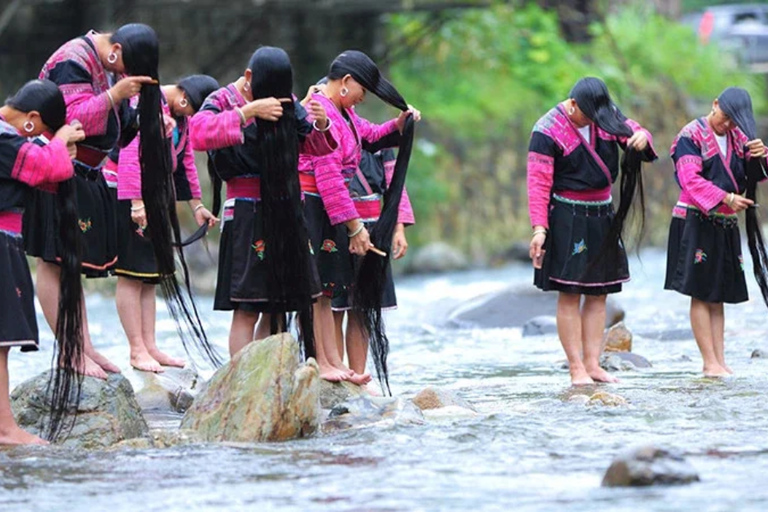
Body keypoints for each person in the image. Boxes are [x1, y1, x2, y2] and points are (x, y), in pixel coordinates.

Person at [23, 24, 156, 379]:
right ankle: (69, 350)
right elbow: (72, 120)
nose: (124, 75)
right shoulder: (72, 59)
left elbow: (117, 126)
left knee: (72, 264)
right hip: (58, 167)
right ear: (114, 50)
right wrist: (115, 97)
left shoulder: (106, 66)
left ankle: (82, 344)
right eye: (125, 66)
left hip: (85, 172)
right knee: (54, 261)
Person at [190, 46, 335, 362]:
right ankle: (240, 382)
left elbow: (316, 146)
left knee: (277, 305)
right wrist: (248, 112)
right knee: (247, 306)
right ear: (248, 78)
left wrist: (321, 124)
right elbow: (197, 134)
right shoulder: (222, 101)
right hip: (246, 210)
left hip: (285, 208)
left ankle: (266, 375)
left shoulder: (287, 101)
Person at [299, 50, 420, 386]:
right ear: (346, 82)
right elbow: (329, 177)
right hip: (313, 204)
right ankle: (323, 362)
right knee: (320, 292)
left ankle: (333, 362)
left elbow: (371, 136)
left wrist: (399, 124)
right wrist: (353, 226)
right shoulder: (319, 111)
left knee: (328, 290)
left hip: (326, 208)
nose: (363, 96)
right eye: (362, 89)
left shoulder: (344, 113)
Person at [527, 77, 656, 385]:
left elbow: (636, 132)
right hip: (567, 215)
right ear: (572, 104)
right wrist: (539, 229)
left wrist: (641, 137)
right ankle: (576, 369)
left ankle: (593, 364)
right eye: (585, 115)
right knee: (570, 293)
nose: (591, 121)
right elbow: (538, 182)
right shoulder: (546, 130)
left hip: (602, 214)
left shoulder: (604, 115)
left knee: (599, 294)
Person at [114, 75, 219, 372]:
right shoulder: (144, 103)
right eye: (193, 112)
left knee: (150, 276)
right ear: (185, 99)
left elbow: (185, 163)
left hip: (158, 199)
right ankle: (136, 349)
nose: (191, 118)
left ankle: (150, 345)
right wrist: (136, 202)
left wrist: (197, 205)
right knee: (131, 274)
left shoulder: (179, 120)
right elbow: (130, 154)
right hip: (134, 197)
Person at [0, 80, 85, 444]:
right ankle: (5, 429)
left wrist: (58, 146)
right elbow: (46, 169)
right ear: (32, 120)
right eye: (44, 133)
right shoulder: (5, 137)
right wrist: (59, 142)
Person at [665, 87, 767, 377]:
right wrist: (726, 198)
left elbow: (755, 172)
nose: (727, 125)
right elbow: (690, 180)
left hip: (724, 222)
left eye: (733, 121)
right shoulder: (690, 135)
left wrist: (763, 155)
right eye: (724, 118)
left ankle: (719, 360)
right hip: (695, 219)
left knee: (717, 294)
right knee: (700, 293)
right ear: (714, 104)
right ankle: (709, 362)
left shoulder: (739, 139)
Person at [331, 146, 413, 390]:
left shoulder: (379, 145)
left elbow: (395, 186)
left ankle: (358, 377)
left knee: (362, 307)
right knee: (333, 305)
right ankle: (336, 374)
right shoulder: (330, 136)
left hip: (375, 228)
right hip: (336, 225)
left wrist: (398, 229)